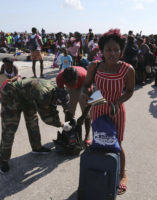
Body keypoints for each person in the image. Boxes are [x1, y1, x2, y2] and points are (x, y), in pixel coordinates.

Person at [81, 29, 135, 195]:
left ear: (121, 51)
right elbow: (87, 84)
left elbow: (130, 91)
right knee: (100, 139)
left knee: (116, 142)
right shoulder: (94, 66)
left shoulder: (128, 69)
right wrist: (85, 93)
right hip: (98, 104)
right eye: (108, 50)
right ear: (101, 51)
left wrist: (117, 103)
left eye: (116, 50)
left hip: (116, 108)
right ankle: (101, 171)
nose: (112, 53)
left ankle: (122, 174)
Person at [0, 78, 70, 174]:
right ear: (55, 98)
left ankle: (36, 147)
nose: (58, 105)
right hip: (12, 95)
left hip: (28, 97)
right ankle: (3, 160)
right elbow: (47, 117)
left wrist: (66, 112)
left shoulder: (55, 91)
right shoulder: (44, 95)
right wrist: (62, 124)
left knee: (33, 121)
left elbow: (53, 108)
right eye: (58, 103)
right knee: (9, 129)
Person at [56, 67, 91, 146]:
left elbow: (91, 101)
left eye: (73, 82)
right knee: (69, 113)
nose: (72, 85)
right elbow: (61, 96)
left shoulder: (85, 77)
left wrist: (83, 116)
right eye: (69, 83)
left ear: (77, 78)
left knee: (87, 115)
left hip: (83, 86)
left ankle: (87, 136)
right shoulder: (59, 78)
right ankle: (68, 134)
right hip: (70, 90)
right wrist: (66, 110)